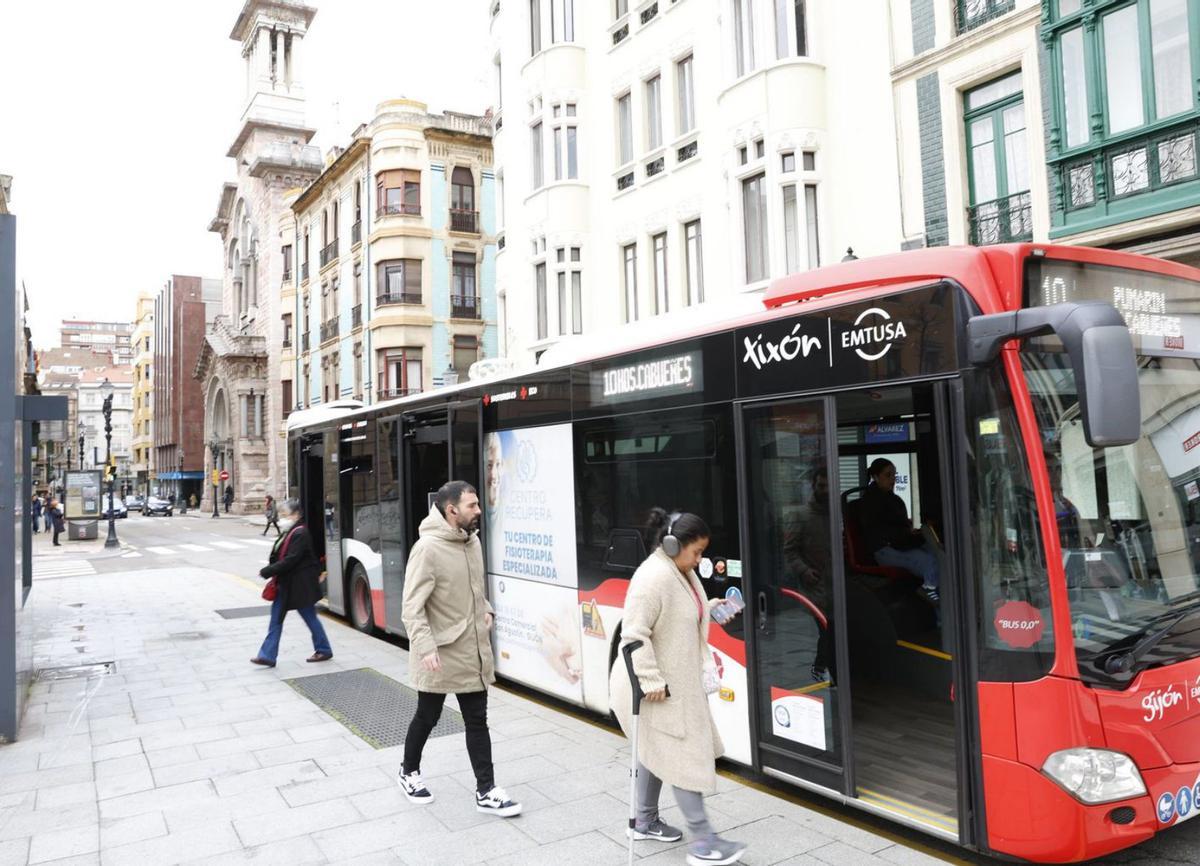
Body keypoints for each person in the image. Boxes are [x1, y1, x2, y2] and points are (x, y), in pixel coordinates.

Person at [609, 509, 746, 866]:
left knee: (655, 748)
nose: (700, 559)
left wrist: (710, 608)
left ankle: (643, 821)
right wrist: (650, 681)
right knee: (683, 754)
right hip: (654, 686)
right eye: (697, 552)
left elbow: (680, 612)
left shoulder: (680, 571)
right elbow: (633, 634)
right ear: (673, 544)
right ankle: (704, 843)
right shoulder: (653, 577)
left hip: (674, 682)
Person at [398, 480, 521, 818]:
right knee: (428, 716)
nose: (478, 510)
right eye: (472, 506)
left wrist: (487, 609)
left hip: (472, 648)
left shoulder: (472, 542)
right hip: (438, 652)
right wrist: (425, 647)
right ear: (451, 510)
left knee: (477, 720)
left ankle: (486, 790)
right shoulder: (427, 549)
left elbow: (475, 589)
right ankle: (408, 771)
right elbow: (412, 607)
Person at [250, 498, 333, 668]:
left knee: (310, 618)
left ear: (296, 515)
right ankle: (267, 656)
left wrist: (268, 571)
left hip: (299, 587)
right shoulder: (290, 531)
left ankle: (324, 649)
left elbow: (291, 559)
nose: (282, 518)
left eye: (285, 514)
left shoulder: (300, 533)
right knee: (276, 619)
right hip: (286, 584)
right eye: (281, 514)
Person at [860, 458, 939, 602]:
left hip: (900, 543)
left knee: (936, 553)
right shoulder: (871, 502)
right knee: (929, 561)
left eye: (894, 475)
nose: (893, 479)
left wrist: (911, 533)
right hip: (885, 548)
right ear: (875, 477)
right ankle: (930, 590)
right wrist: (906, 534)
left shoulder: (893, 499)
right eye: (888, 475)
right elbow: (881, 531)